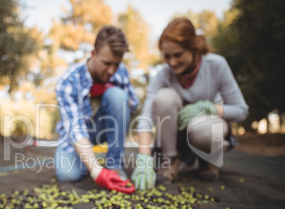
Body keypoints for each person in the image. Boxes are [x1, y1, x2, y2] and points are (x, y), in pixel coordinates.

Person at [131, 18, 249, 189]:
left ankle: (207, 159)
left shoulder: (216, 65)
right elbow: (147, 116)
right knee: (163, 97)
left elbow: (241, 110)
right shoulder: (163, 76)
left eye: (178, 55)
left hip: (206, 129)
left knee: (204, 130)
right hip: (175, 135)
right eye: (167, 56)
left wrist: (209, 108)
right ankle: (169, 159)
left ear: (193, 49)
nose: (172, 62)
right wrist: (143, 158)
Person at [54, 25, 140, 194]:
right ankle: (89, 162)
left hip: (103, 128)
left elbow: (133, 104)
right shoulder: (69, 81)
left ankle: (114, 165)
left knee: (117, 96)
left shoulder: (119, 72)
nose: (111, 70)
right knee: (69, 174)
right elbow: (76, 130)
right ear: (93, 54)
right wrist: (95, 170)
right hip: (76, 136)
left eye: (116, 64)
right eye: (107, 63)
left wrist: (113, 93)